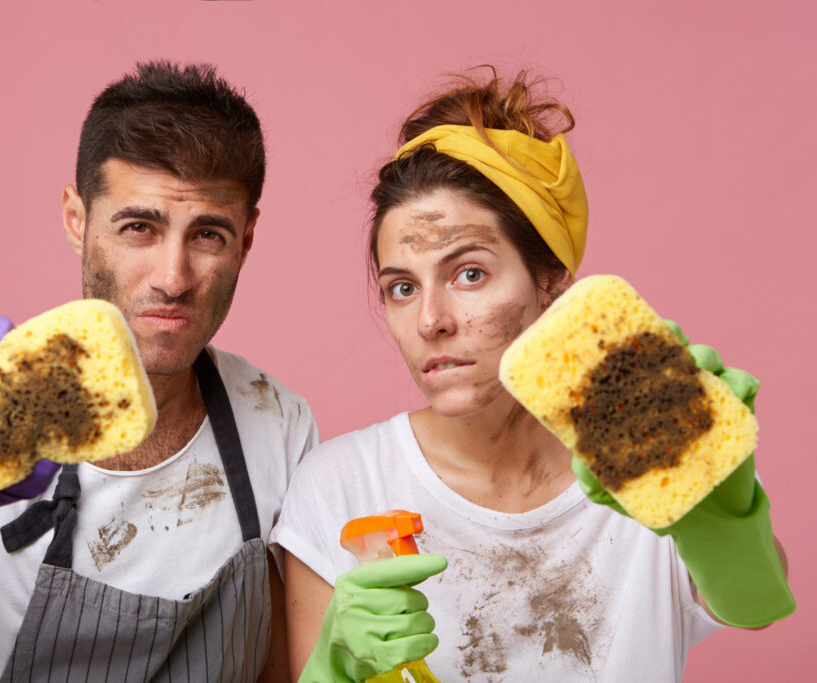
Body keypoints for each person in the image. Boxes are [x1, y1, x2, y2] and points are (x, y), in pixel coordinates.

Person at [0, 61, 318, 682]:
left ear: (246, 240)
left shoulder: (278, 422)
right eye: (139, 228)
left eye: (207, 235)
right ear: (77, 220)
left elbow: (277, 666)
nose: (173, 278)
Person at [273, 67, 794, 682]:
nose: (431, 320)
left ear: (552, 283)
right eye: (402, 288)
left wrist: (719, 512)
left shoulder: (649, 452)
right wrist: (334, 668)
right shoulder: (341, 487)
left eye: (469, 274)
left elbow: (756, 607)